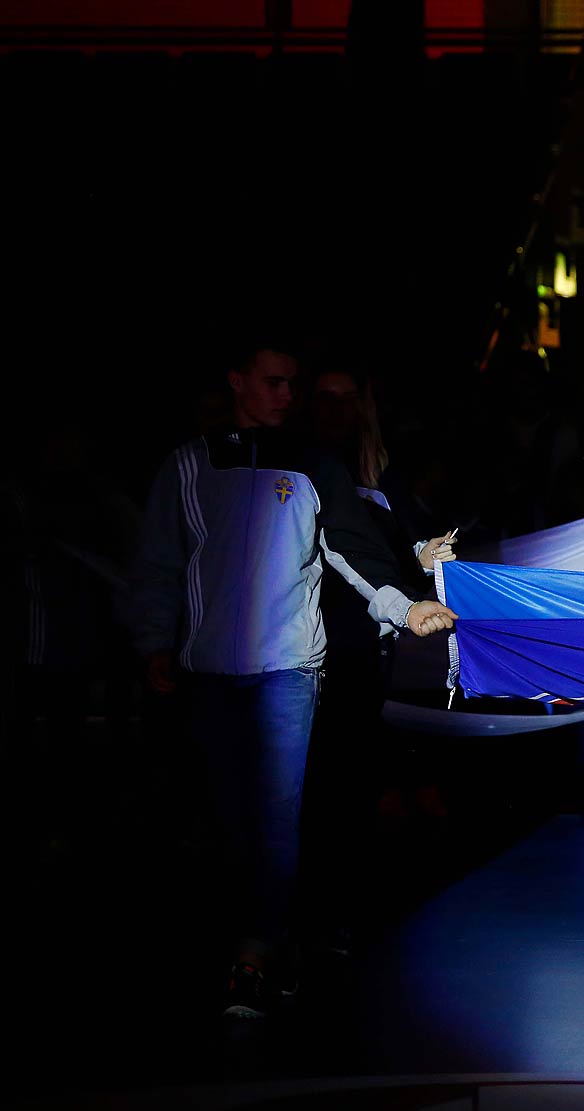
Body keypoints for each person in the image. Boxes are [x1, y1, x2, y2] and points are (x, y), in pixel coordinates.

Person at [131, 337, 458, 1017]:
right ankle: (257, 944)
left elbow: (352, 550)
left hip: (288, 668)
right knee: (229, 818)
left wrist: (406, 608)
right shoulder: (189, 466)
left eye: (291, 384)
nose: (286, 395)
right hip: (211, 670)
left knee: (278, 818)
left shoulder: (314, 466)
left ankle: (258, 952)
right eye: (273, 382)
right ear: (238, 382)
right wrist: (156, 641)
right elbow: (161, 562)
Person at [304, 360, 456, 954]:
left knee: (353, 779)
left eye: (349, 399)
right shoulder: (303, 470)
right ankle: (308, 915)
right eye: (326, 397)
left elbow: (388, 548)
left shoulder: (373, 474)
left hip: (367, 646)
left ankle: (340, 910)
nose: (338, 410)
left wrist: (421, 554)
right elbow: (340, 554)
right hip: (316, 644)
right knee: (318, 782)